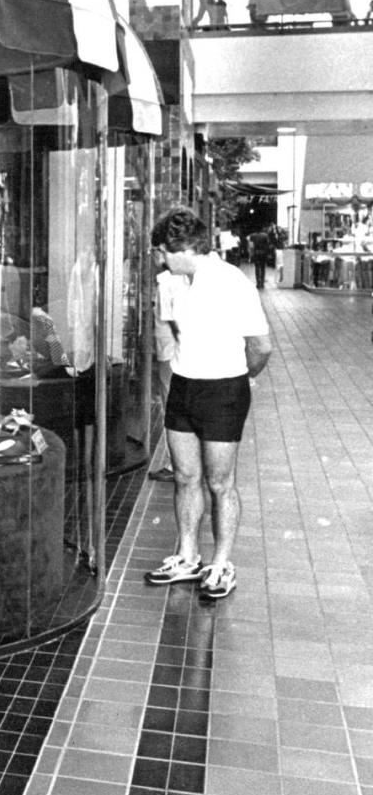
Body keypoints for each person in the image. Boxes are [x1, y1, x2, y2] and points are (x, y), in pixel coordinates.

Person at [144, 207, 271, 600]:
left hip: (223, 391)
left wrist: (241, 378)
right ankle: (187, 556)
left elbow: (261, 346)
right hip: (184, 387)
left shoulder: (232, 282)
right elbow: (166, 332)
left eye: (163, 251)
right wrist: (168, 375)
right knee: (184, 477)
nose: (159, 259)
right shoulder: (169, 282)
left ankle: (221, 564)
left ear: (184, 248)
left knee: (220, 482)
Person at [147, 259, 177, 482]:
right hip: (169, 352)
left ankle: (173, 463)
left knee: (172, 408)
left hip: (171, 354)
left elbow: (174, 323)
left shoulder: (167, 282)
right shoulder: (170, 281)